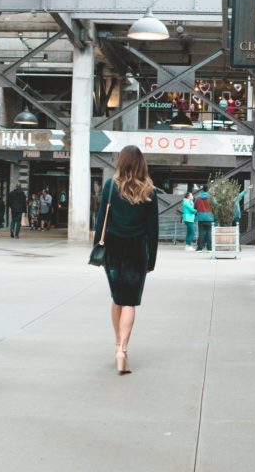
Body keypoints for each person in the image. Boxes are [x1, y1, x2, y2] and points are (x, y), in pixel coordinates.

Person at [94, 145, 159, 374]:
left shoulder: (111, 186)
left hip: (113, 247)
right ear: (141, 164)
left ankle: (117, 345)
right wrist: (151, 260)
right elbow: (153, 229)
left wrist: (96, 249)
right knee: (130, 301)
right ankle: (123, 349)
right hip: (137, 249)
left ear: (121, 162)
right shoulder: (149, 189)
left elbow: (101, 218)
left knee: (117, 298)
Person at [194, 185, 214, 252]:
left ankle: (199, 248)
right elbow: (215, 205)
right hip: (209, 217)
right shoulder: (211, 197)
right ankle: (209, 248)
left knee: (201, 233)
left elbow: (195, 207)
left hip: (200, 217)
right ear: (208, 189)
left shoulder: (197, 197)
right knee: (209, 233)